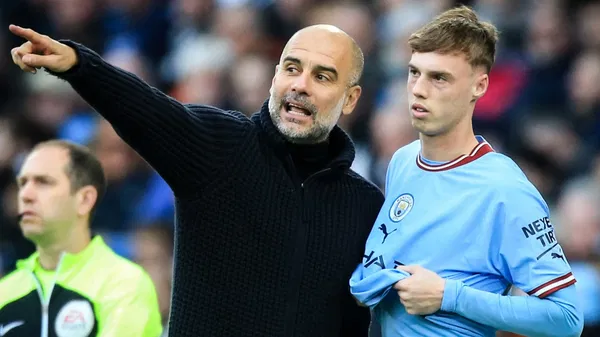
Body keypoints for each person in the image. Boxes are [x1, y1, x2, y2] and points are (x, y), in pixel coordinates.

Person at [8, 23, 385, 337]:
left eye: (322, 76)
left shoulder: (365, 205)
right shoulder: (222, 147)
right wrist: (78, 64)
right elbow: (146, 111)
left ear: (350, 99)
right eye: (291, 68)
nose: (300, 84)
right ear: (274, 77)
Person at [349, 5, 584, 337]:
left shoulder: (504, 189)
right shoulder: (402, 161)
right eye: (414, 72)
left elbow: (566, 318)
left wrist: (450, 296)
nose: (418, 89)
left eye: (439, 77)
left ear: (479, 85)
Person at [0, 140, 163, 337]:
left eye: (43, 182)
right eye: (22, 183)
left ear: (84, 199)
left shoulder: (124, 283)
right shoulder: (6, 291)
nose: (25, 195)